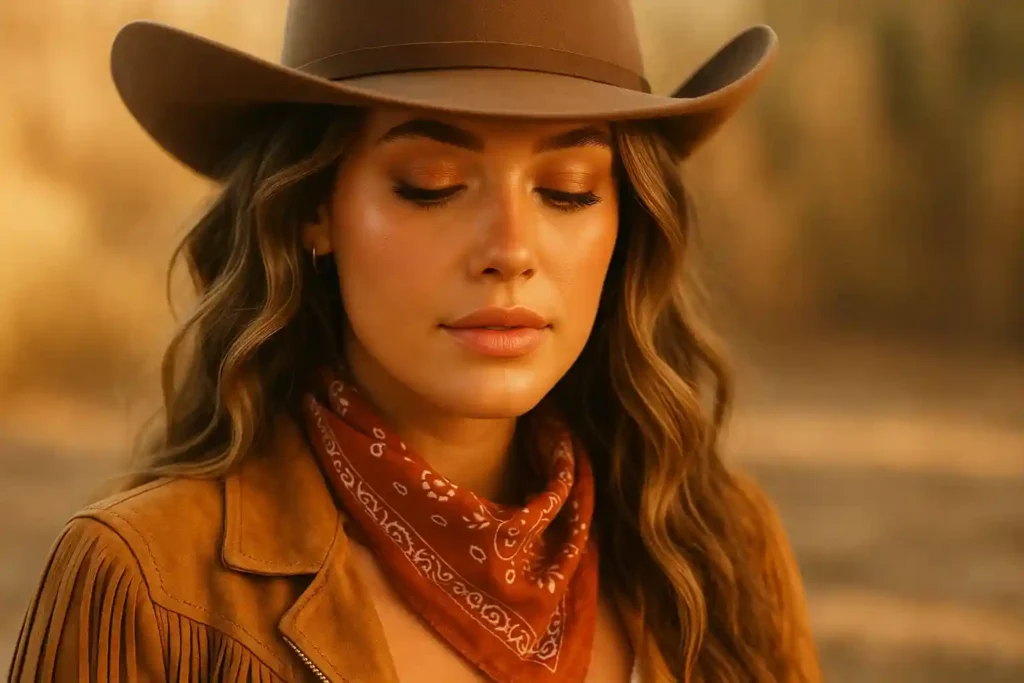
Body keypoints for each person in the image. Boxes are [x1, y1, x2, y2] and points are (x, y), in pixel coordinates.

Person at [8, 0, 821, 681]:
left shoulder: (718, 551)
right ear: (310, 210)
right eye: (431, 185)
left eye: (567, 191)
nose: (511, 248)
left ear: (625, 219)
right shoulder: (149, 583)